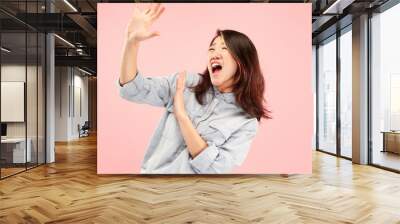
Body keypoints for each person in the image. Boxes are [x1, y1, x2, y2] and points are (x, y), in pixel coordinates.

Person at [117, 3, 270, 174]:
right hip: (153, 188)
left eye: (224, 48)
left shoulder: (246, 122)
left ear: (242, 63)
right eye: (211, 48)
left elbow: (214, 169)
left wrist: (182, 116)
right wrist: (131, 43)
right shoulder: (186, 83)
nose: (214, 53)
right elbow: (132, 90)